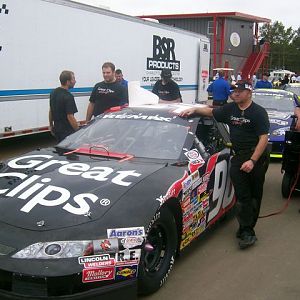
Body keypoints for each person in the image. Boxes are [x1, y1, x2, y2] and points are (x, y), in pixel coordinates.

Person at [179, 81, 270, 250]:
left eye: (240, 91)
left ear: (249, 93)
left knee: (254, 195)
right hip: (238, 157)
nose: (235, 94)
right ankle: (246, 230)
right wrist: (195, 109)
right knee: (243, 196)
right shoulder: (230, 109)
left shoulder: (258, 112)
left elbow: (263, 139)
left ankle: (248, 229)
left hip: (256, 157)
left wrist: (253, 161)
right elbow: (211, 112)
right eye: (234, 91)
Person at [49, 70, 79, 142]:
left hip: (57, 130)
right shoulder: (68, 96)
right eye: (73, 79)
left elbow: (51, 110)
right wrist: (78, 131)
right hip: (67, 132)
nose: (75, 81)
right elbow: (70, 116)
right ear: (68, 82)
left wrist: (51, 125)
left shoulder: (53, 93)